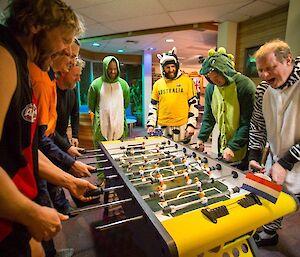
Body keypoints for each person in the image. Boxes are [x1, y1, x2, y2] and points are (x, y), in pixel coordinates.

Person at [0, 1, 97, 256]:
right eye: (64, 38)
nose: (66, 49)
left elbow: (26, 149)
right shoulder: (4, 57)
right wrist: (30, 213)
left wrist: (68, 180)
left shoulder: (21, 64)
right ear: (34, 25)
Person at [248, 39, 300, 247]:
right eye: (260, 70)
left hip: (290, 160)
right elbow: (257, 125)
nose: (265, 75)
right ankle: (269, 234)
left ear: (288, 60)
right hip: (277, 158)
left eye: (270, 68)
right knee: (272, 197)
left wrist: (286, 162)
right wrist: (253, 155)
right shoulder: (263, 91)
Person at [197, 47, 256, 169]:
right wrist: (201, 138)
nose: (214, 81)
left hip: (245, 147)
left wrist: (233, 146)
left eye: (217, 76)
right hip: (222, 144)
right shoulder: (211, 88)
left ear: (225, 70)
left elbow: (248, 123)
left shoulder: (245, 86)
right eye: (210, 78)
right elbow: (209, 117)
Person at [88, 56, 130, 182]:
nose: (112, 72)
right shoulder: (96, 84)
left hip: (119, 123)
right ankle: (101, 177)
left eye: (115, 69)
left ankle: (119, 176)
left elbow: (126, 104)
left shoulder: (123, 85)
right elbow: (91, 104)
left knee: (119, 152)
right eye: (110, 69)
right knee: (101, 153)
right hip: (102, 125)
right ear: (105, 68)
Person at [147, 47, 198, 142]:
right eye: (168, 67)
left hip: (182, 126)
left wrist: (191, 125)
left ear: (177, 66)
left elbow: (194, 105)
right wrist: (151, 124)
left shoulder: (187, 81)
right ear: (163, 68)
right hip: (162, 127)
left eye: (173, 66)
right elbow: (153, 106)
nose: (171, 70)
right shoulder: (157, 84)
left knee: (184, 154)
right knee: (163, 154)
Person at [54, 58, 85, 153]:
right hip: (49, 138)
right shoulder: (51, 90)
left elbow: (75, 114)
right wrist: (66, 146)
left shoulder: (73, 89)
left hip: (62, 136)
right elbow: (48, 128)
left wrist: (75, 135)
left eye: (79, 76)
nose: (79, 79)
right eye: (76, 75)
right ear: (64, 72)